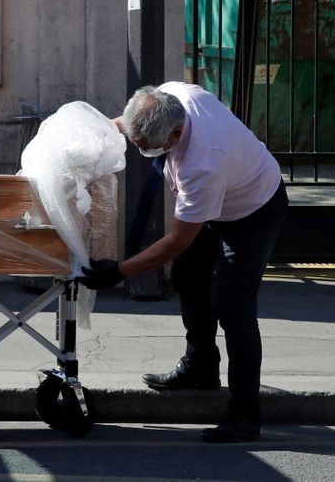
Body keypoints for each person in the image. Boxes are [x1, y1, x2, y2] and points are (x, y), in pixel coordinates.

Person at [79, 82, 288, 443]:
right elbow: (128, 123)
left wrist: (118, 271)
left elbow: (175, 241)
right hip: (220, 197)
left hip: (253, 209)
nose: (141, 150)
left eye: (147, 147)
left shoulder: (203, 164)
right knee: (189, 277)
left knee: (232, 305)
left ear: (175, 135)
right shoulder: (170, 95)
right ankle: (201, 367)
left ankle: (244, 414)